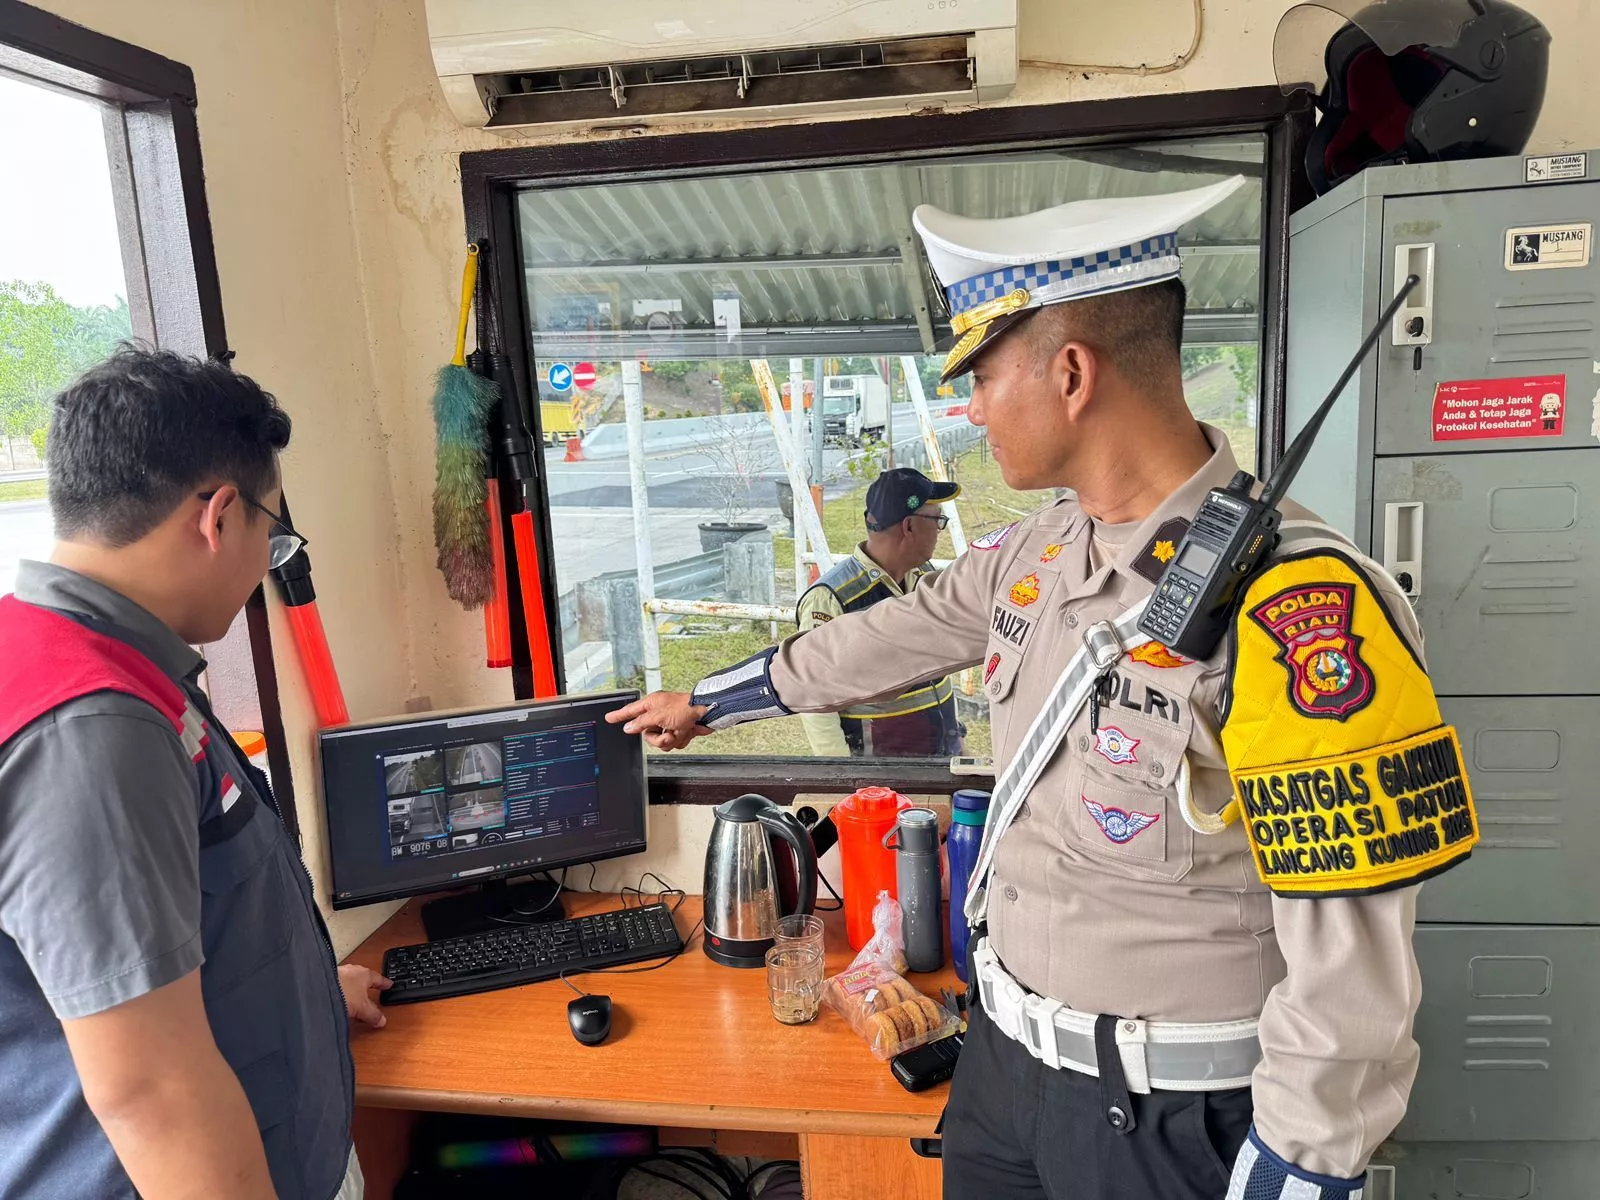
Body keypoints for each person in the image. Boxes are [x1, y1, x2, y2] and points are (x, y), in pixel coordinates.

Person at [609, 179, 1480, 1200]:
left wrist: (1296, 1173)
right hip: (1004, 1070)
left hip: (1166, 1122)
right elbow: (883, 638)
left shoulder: (1302, 606)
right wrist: (710, 701)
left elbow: (1354, 967)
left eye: (982, 375)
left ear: (1071, 374)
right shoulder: (1040, 551)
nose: (969, 408)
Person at [0, 348, 389, 1200]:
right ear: (219, 516)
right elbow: (153, 1093)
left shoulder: (95, 661)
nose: (266, 562)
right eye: (272, 535)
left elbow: (141, 954)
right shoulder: (92, 728)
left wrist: (306, 992)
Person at [796, 466, 964, 757]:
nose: (940, 532)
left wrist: (955, 738)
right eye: (938, 520)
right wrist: (842, 772)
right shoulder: (832, 598)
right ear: (909, 527)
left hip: (939, 756)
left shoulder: (923, 576)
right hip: (878, 769)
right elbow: (813, 697)